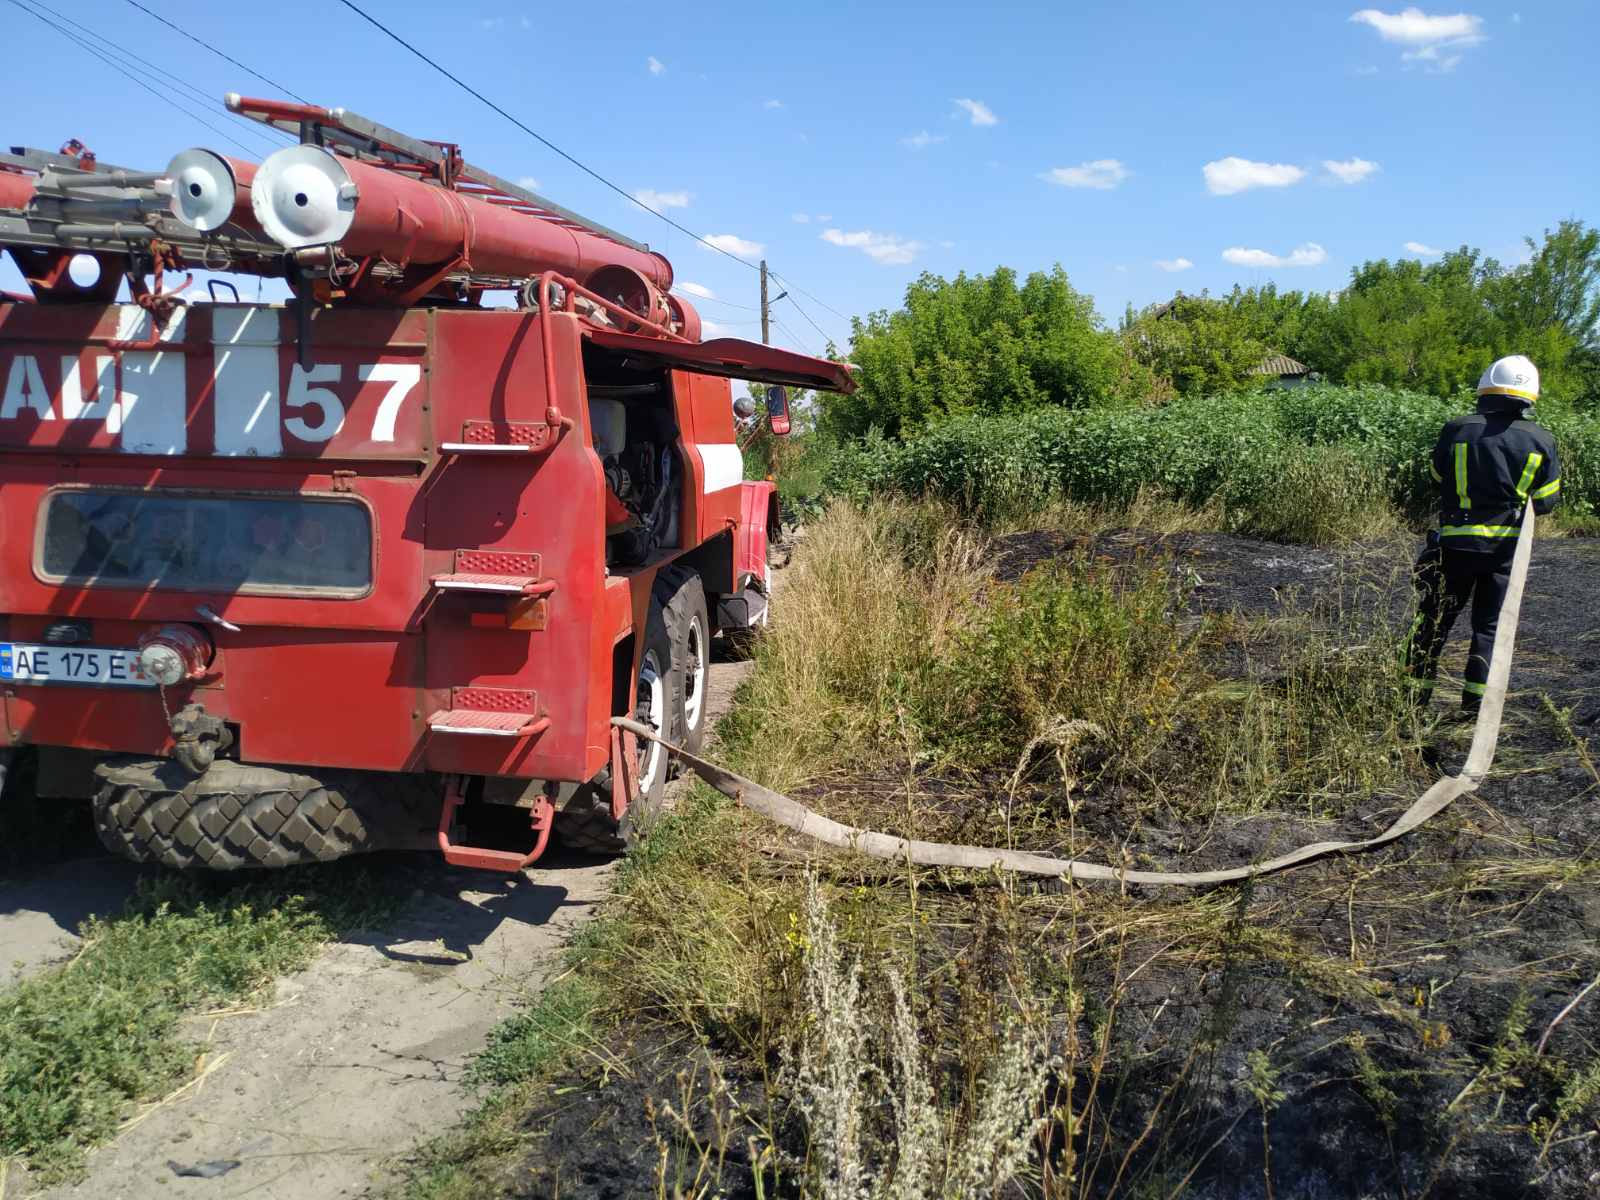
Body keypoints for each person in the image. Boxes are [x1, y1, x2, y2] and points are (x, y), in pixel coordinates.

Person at [1405, 355, 1560, 715]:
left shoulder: (1457, 430)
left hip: (1453, 546)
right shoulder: (1541, 440)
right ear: (1529, 397)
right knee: (1488, 630)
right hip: (1505, 553)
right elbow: (1547, 502)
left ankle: (1411, 703)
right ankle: (1475, 710)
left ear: (1485, 390)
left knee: (1430, 623)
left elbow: (1435, 478)